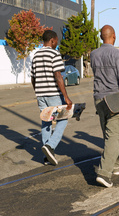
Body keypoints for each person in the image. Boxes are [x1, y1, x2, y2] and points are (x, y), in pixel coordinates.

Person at [90, 25, 119, 188]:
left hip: (99, 99)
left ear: (102, 37)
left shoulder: (93, 54)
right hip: (115, 100)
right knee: (114, 137)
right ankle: (104, 173)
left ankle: (117, 165)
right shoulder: (118, 54)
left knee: (110, 136)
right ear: (113, 36)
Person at [31, 30, 73, 166]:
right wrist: (66, 97)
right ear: (52, 40)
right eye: (56, 42)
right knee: (64, 118)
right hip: (53, 94)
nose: (57, 44)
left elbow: (33, 77)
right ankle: (50, 146)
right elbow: (58, 76)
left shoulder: (36, 55)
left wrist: (37, 91)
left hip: (40, 94)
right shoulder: (54, 53)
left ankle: (47, 157)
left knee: (46, 121)